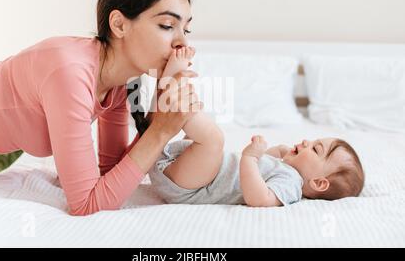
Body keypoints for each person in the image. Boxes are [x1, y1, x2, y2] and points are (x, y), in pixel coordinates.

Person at [0, 0, 202, 215]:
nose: (182, 42)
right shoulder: (69, 72)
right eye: (167, 26)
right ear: (119, 25)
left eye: (186, 29)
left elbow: (112, 173)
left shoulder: (118, 83)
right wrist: (159, 132)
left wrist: (156, 116)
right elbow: (86, 204)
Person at [148, 51, 365, 206]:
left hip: (192, 187)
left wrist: (250, 158)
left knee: (213, 139)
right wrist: (274, 153)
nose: (307, 142)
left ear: (318, 182)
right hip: (184, 172)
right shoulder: (285, 170)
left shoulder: (292, 185)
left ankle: (172, 89)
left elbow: (260, 199)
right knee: (205, 132)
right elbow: (264, 169)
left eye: (316, 149)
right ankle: (173, 94)